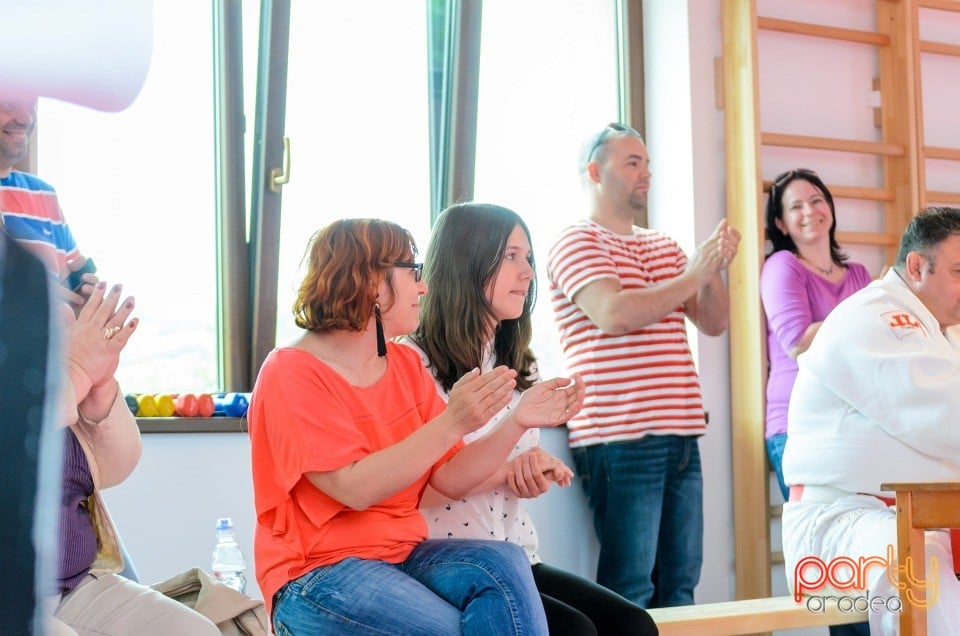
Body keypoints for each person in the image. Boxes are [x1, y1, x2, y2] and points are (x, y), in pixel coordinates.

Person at [249, 218, 585, 635]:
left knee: (504, 562)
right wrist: (452, 422)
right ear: (372, 282)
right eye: (413, 273)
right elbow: (353, 489)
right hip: (317, 573)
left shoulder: (404, 366)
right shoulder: (291, 372)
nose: (424, 287)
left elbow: (447, 479)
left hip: (400, 554)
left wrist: (518, 421)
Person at [402, 202, 659, 636]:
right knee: (576, 630)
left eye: (528, 258)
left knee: (634, 625)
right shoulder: (412, 362)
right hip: (446, 560)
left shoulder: (519, 362)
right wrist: (507, 467)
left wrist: (534, 470)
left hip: (516, 552)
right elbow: (419, 488)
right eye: (510, 257)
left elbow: (517, 464)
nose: (528, 272)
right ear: (466, 260)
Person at [546, 122, 740, 608]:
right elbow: (614, 313)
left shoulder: (664, 246)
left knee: (679, 585)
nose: (645, 174)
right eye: (633, 163)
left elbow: (714, 322)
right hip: (619, 435)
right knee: (629, 590)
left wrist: (711, 269)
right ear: (595, 171)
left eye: (647, 164)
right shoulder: (575, 240)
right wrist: (694, 271)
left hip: (680, 435)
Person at [781, 206, 960, 635]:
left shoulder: (935, 330)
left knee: (922, 549)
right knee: (918, 561)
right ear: (917, 267)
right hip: (831, 534)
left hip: (907, 520)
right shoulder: (878, 317)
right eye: (959, 271)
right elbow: (945, 415)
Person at [50, 280, 220, 634]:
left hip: (74, 586)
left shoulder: (36, 329)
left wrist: (100, 389)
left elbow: (110, 469)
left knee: (195, 631)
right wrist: (74, 372)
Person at [760, 168, 872, 503]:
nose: (810, 212)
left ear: (830, 207)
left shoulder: (859, 274)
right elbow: (798, 342)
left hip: (853, 423)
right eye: (796, 207)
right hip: (798, 426)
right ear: (780, 223)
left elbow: (871, 343)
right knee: (816, 540)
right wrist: (864, 311)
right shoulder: (782, 265)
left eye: (816, 200)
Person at [0, 98, 95, 308]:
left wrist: (79, 304)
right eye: (8, 103)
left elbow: (62, 292)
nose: (26, 118)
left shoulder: (44, 194)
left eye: (31, 104)